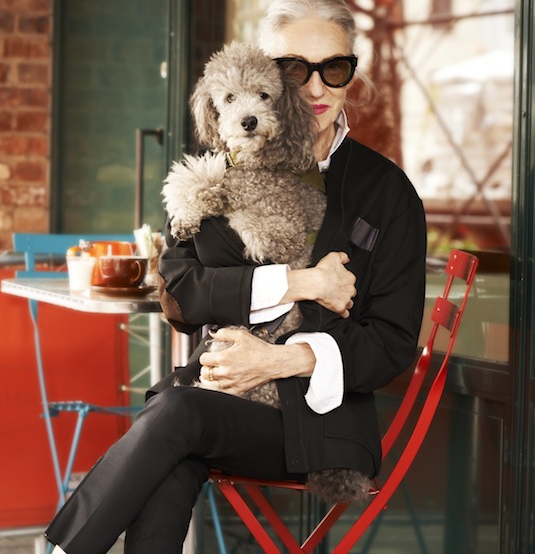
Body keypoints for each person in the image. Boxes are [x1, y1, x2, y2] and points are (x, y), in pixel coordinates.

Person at [45, 1, 427, 552]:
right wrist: (297, 283)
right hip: (215, 396)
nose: (316, 87)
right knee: (173, 446)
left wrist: (282, 360)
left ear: (350, 73)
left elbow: (392, 344)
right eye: (294, 69)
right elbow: (180, 295)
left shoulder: (388, 193)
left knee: (175, 418)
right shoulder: (224, 168)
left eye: (334, 68)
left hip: (322, 426)